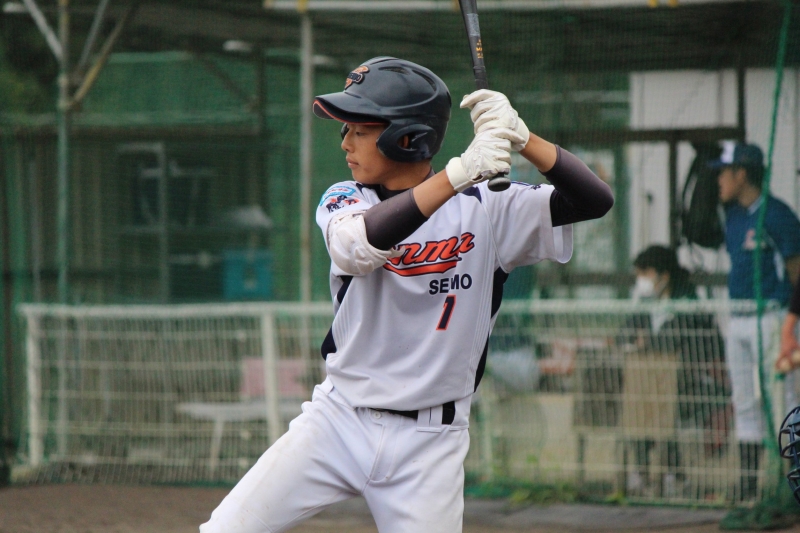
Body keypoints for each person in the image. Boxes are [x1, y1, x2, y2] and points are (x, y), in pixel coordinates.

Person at [200, 56, 613, 532]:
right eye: (346, 129)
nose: (345, 142)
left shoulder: (489, 208)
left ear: (407, 137)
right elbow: (358, 246)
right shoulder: (347, 198)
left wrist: (524, 138)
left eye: (360, 130)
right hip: (338, 420)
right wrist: (458, 173)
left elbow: (594, 200)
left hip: (430, 442)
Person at [716, 141, 800, 500]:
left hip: (772, 316)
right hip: (738, 316)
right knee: (744, 400)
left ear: (741, 174)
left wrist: (791, 323)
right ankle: (749, 486)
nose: (719, 180)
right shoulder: (733, 215)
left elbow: (796, 272)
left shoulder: (777, 214)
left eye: (724, 172)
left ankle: (787, 484)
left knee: (781, 399)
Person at [621, 245, 729, 497]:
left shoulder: (690, 308)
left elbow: (691, 354)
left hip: (692, 388)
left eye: (645, 273)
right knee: (642, 399)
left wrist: (647, 346)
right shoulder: (645, 306)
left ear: (664, 275)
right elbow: (623, 335)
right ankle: (652, 473)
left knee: (657, 403)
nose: (641, 280)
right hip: (652, 386)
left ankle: (670, 474)